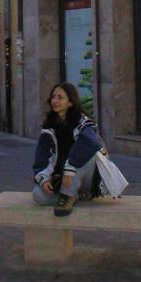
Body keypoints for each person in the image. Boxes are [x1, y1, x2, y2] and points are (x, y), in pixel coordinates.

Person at [32, 82, 105, 217]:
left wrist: (71, 167)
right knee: (38, 196)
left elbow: (91, 142)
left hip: (85, 176)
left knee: (89, 154)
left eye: (60, 97)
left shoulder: (83, 122)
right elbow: (42, 156)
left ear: (70, 102)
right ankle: (74, 195)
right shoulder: (49, 127)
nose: (55, 101)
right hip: (63, 178)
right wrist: (44, 179)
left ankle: (68, 196)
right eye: (53, 97)